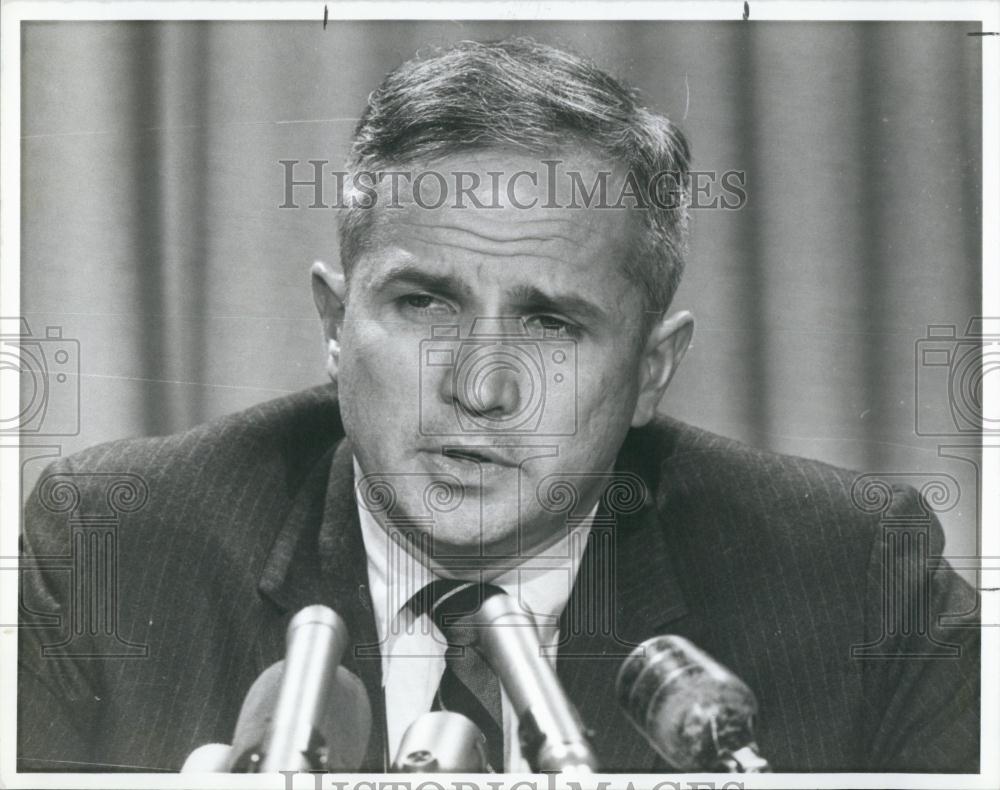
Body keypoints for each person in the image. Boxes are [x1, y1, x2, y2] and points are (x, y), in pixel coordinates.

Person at [18, 37, 979, 774]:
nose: (479, 387)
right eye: (424, 302)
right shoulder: (114, 545)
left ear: (653, 368)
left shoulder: (857, 579)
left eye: (553, 323)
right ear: (333, 319)